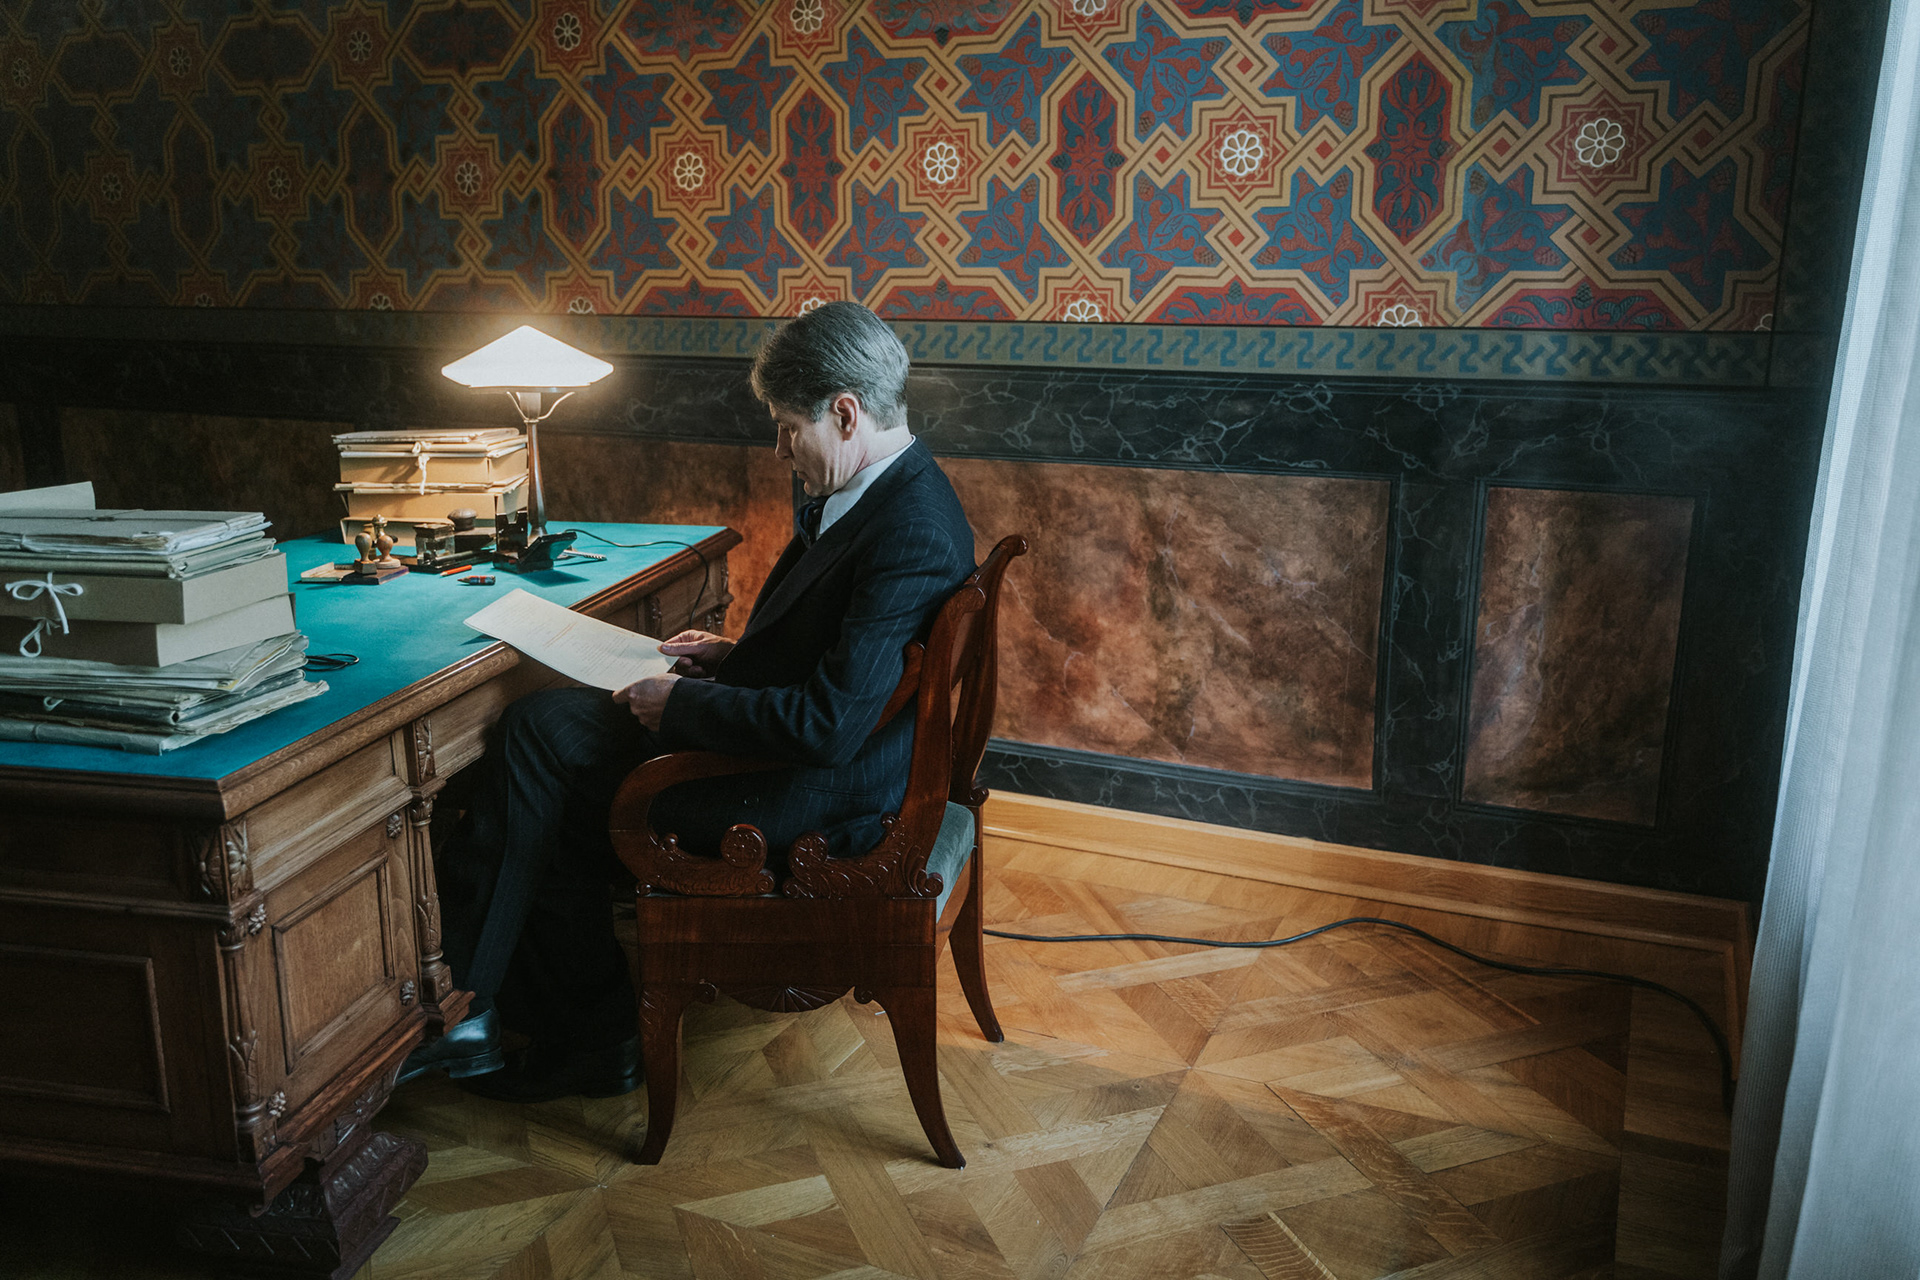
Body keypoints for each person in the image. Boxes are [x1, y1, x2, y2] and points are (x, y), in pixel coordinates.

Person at [401, 302, 976, 1101]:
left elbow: (829, 726)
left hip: (810, 795)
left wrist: (675, 707)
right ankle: (543, 1023)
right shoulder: (891, 491)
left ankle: (492, 1011)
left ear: (846, 414)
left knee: (538, 755)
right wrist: (731, 658)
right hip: (815, 763)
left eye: (787, 428)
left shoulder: (908, 528)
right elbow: (844, 665)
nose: (779, 449)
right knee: (543, 738)